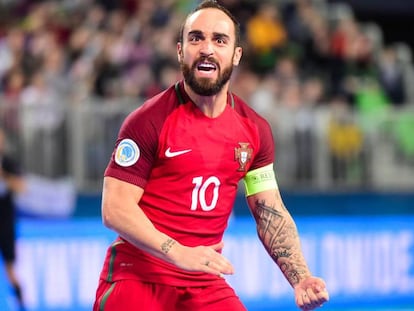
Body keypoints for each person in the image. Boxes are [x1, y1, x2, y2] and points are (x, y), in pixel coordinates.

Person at [93, 1, 329, 310]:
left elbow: (269, 210)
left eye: (219, 40)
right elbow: (115, 208)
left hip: (203, 281)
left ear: (236, 55)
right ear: (180, 51)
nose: (207, 48)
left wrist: (300, 278)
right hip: (138, 276)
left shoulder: (253, 130)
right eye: (196, 38)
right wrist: (176, 251)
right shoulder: (148, 121)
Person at [0, 127, 26, 310]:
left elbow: (21, 187)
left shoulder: (8, 163)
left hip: (5, 223)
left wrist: (5, 176)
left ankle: (21, 304)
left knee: (10, 269)